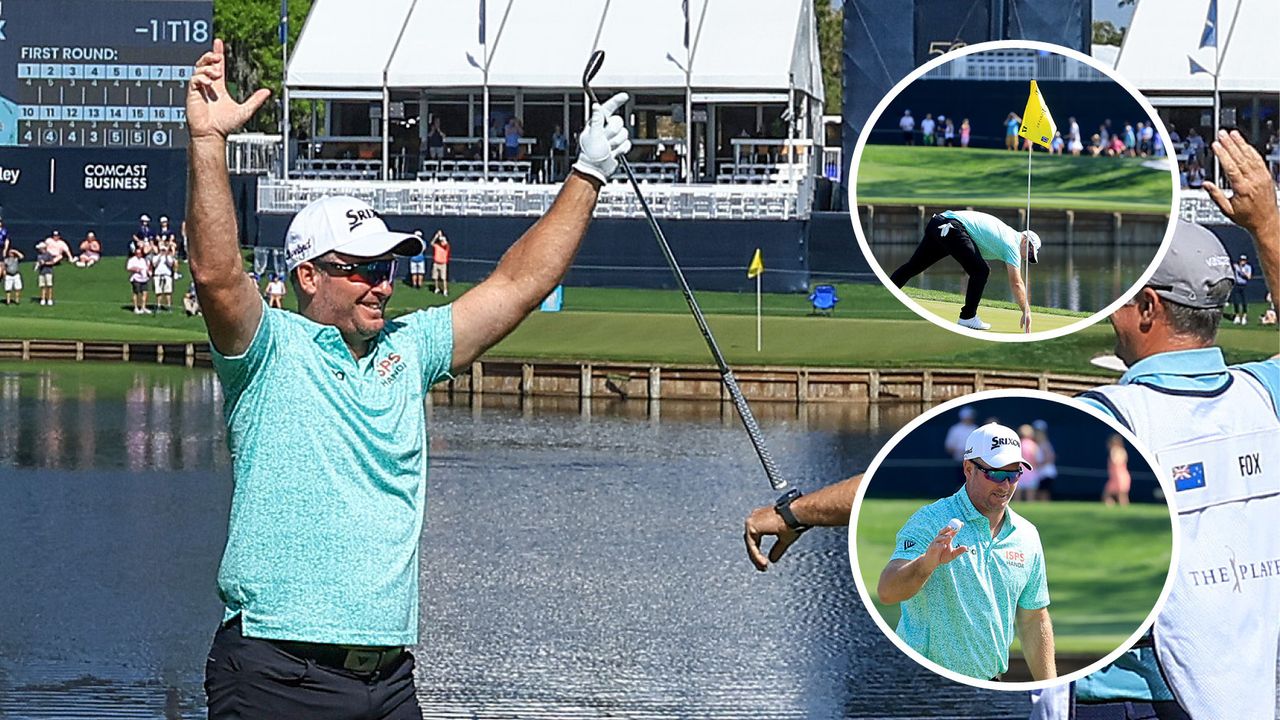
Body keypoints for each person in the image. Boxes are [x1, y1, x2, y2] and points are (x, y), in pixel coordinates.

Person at [187, 38, 630, 719]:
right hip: (276, 675)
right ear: (309, 276)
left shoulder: (410, 347)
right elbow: (218, 276)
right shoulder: (269, 348)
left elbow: (517, 285)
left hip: (389, 682)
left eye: (389, 268)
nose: (384, 285)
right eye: (364, 269)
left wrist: (587, 174)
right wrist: (208, 143)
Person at [1034, 130, 1280, 720]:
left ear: (1149, 309)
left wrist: (797, 511)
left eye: (1123, 296)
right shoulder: (1264, 399)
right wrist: (1267, 224)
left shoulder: (1106, 421)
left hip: (1127, 703)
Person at [878, 422, 1055, 682]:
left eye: (1014, 474)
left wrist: (1051, 690)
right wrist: (926, 564)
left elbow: (1033, 619)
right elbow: (887, 591)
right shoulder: (931, 520)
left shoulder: (1027, 536)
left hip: (990, 683)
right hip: (923, 682)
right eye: (995, 474)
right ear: (968, 469)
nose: (1005, 485)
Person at [888, 210, 1039, 332]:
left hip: (938, 222)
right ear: (1025, 241)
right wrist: (1026, 310)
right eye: (1030, 253)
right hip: (952, 226)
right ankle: (968, 317)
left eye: (1031, 258)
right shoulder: (1013, 244)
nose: (1027, 258)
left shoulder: (1007, 236)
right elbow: (1017, 283)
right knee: (981, 270)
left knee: (913, 267)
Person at [1013, 424, 1042, 502]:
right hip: (1030, 470)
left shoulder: (1017, 444)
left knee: (1017, 493)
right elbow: (1037, 459)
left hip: (1019, 471)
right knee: (1030, 494)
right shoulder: (1033, 445)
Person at [1100, 435, 1130, 507]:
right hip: (1118, 476)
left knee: (1119, 495)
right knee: (1120, 495)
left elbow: (1116, 461)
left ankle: (1112, 506)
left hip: (1118, 477)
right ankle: (1113, 506)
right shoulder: (1122, 451)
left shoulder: (1115, 451)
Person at [1031, 420, 1056, 502]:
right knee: (1040, 493)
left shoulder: (1045, 443)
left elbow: (1050, 457)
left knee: (1044, 493)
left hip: (1046, 473)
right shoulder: (1037, 443)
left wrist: (1039, 464)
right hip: (1041, 473)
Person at [127, 246, 152, 315]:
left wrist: (149, 272)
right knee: (136, 293)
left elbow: (146, 268)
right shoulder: (132, 260)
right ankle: (136, 307)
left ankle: (143, 307)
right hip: (136, 279)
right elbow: (128, 268)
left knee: (145, 293)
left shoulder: (143, 260)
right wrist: (136, 269)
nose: (139, 254)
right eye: (137, 253)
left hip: (144, 279)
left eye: (140, 253)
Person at [152, 245, 177, 312]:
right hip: (158, 275)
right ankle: (158, 305)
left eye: (164, 250)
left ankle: (169, 306)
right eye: (161, 250)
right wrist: (159, 257)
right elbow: (154, 265)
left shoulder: (169, 257)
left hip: (167, 275)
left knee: (168, 292)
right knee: (158, 292)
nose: (163, 252)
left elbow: (170, 264)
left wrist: (166, 257)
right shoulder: (155, 257)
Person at [1229, 253, 1252, 324]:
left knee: (1244, 302)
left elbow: (1249, 277)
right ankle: (1237, 316)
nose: (1242, 262)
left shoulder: (1248, 267)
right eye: (1241, 260)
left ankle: (1244, 317)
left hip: (1244, 285)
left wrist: (1242, 272)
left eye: (1244, 260)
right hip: (1237, 285)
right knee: (1236, 301)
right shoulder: (1236, 266)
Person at [35, 241, 58, 306]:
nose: (39, 249)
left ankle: (49, 299)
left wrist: (45, 263)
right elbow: (38, 262)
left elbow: (52, 262)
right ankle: (43, 299)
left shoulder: (48, 254)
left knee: (49, 286)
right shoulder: (39, 255)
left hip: (48, 272)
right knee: (42, 286)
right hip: (41, 272)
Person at [431, 229, 450, 296]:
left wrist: (441, 236)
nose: (442, 242)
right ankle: (437, 288)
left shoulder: (446, 247)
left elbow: (446, 243)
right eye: (441, 241)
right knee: (435, 277)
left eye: (442, 241)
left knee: (443, 278)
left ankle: (445, 290)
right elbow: (432, 243)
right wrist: (436, 236)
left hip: (443, 264)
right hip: (436, 263)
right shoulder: (437, 246)